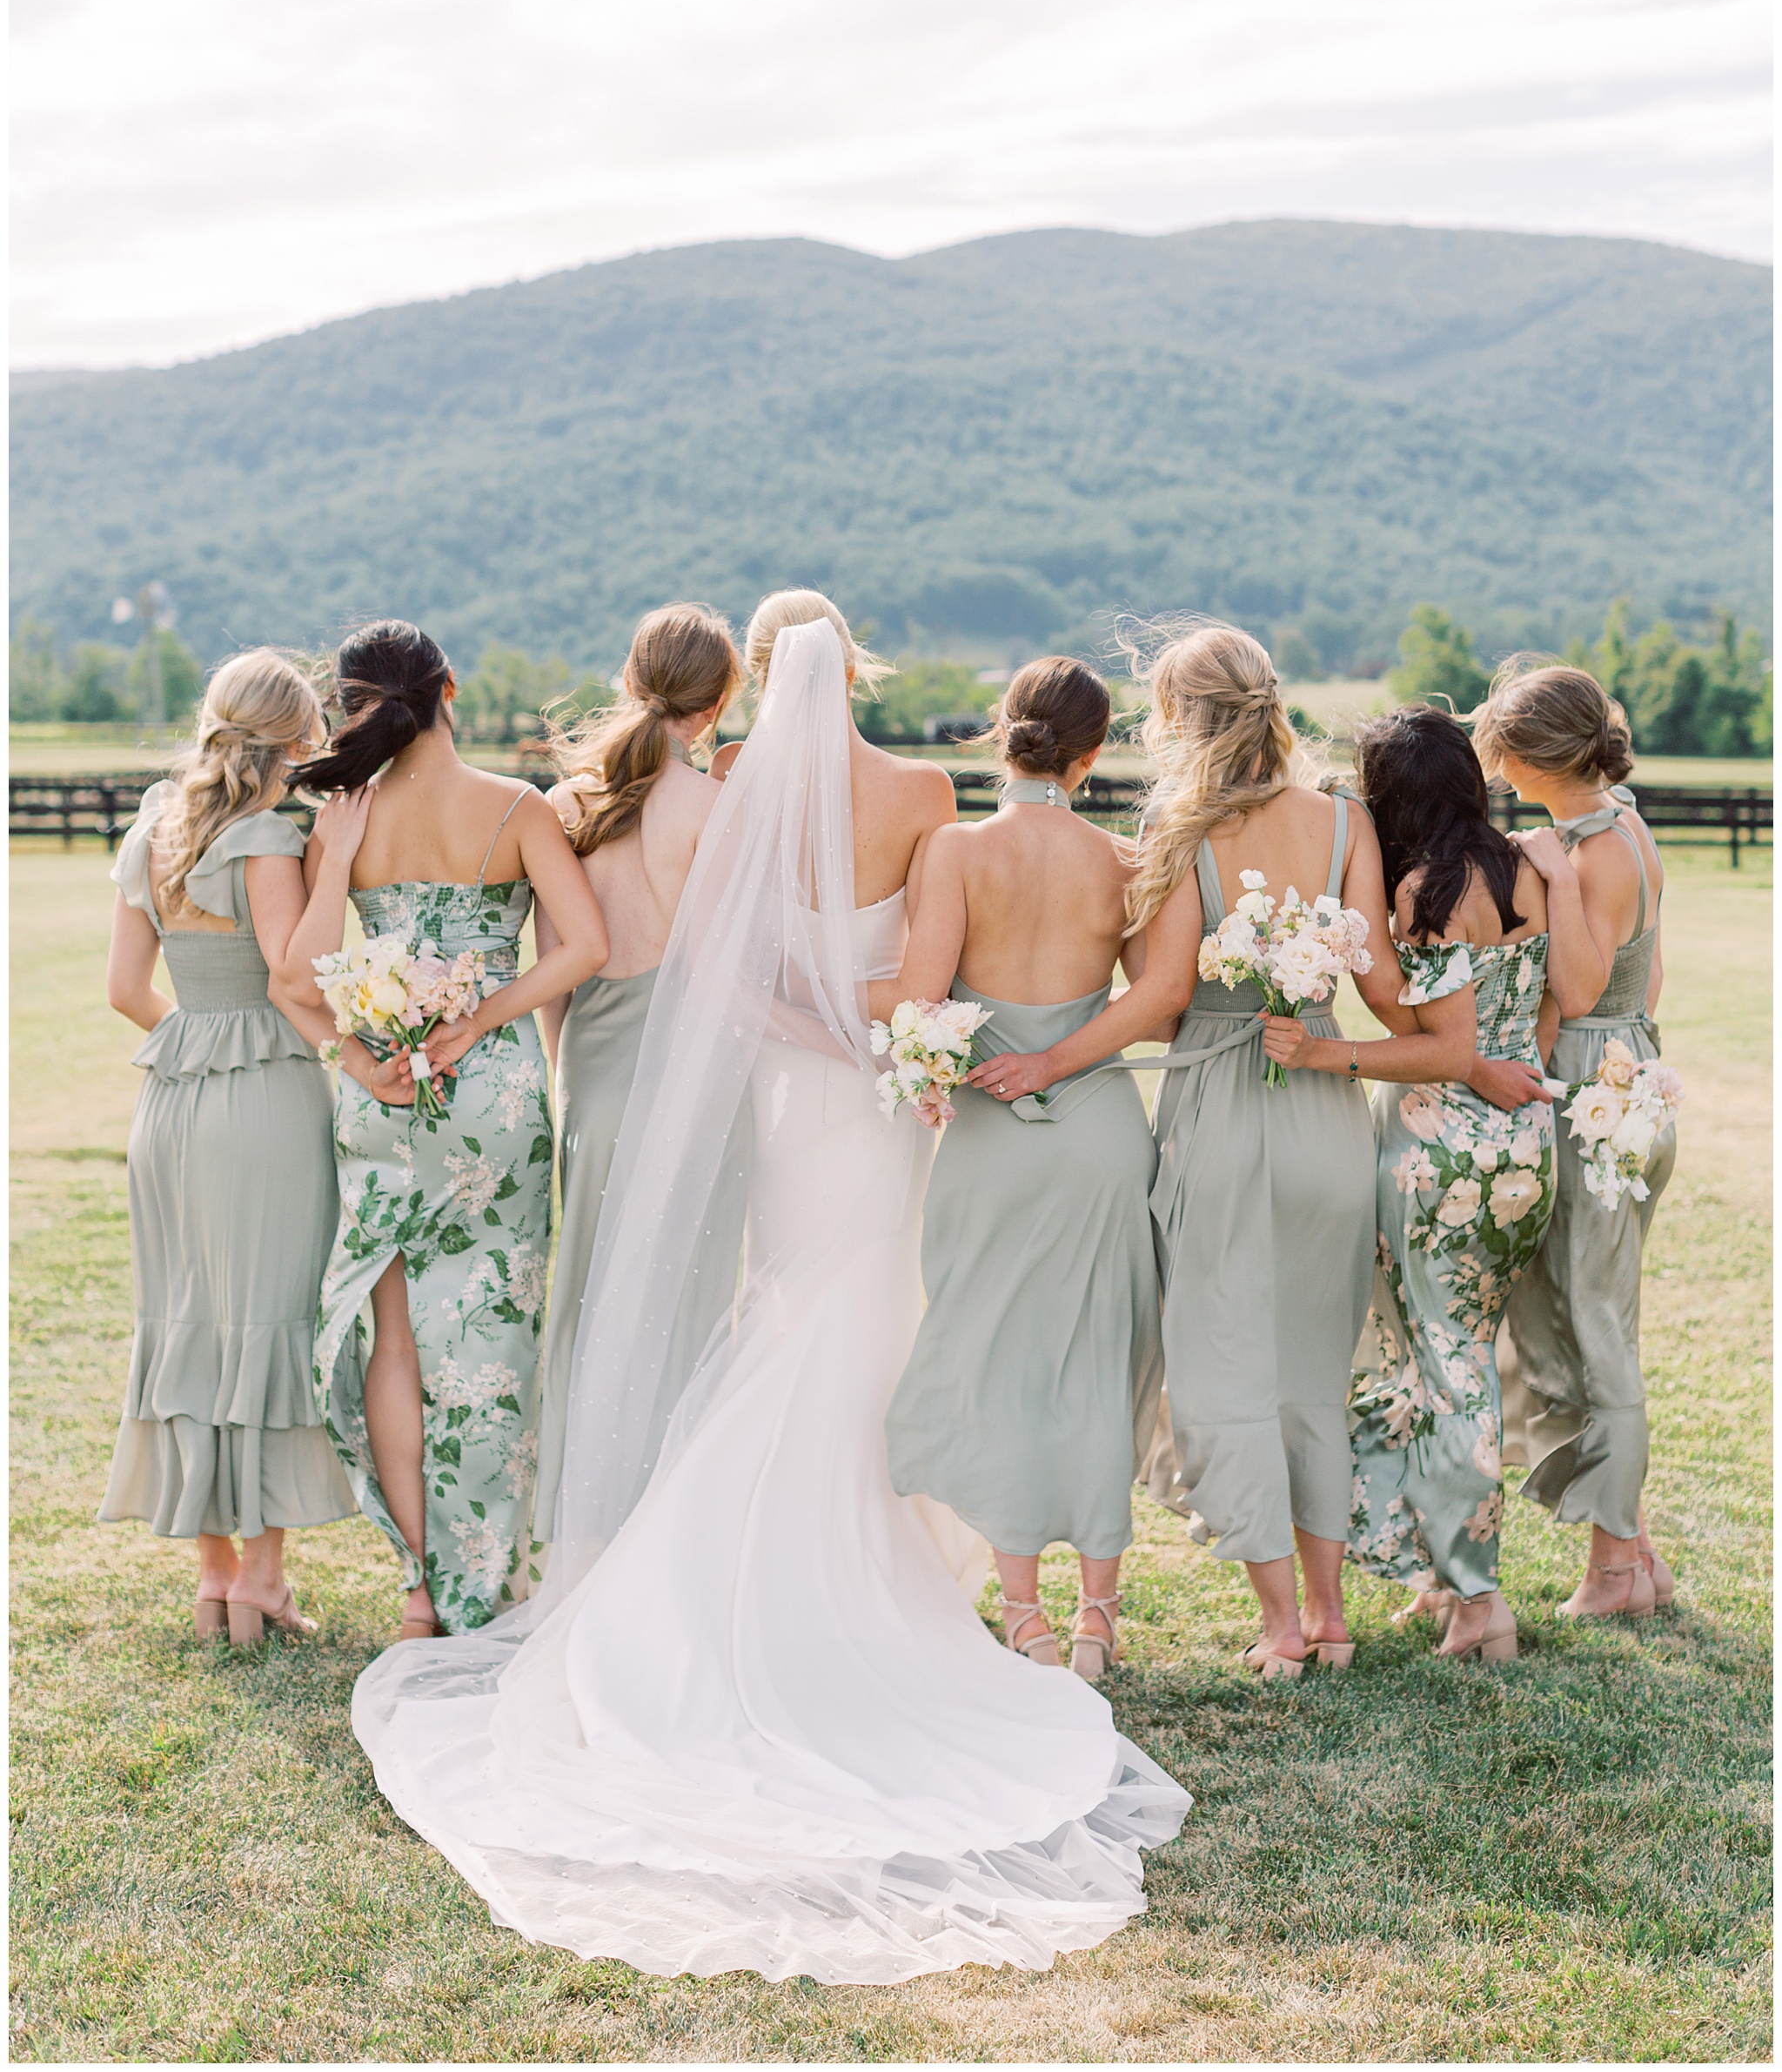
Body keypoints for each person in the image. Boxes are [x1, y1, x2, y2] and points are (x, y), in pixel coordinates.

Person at [347, 607, 1189, 1983]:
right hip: (883, 1093)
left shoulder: (734, 791)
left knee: (793, 1301)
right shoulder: (923, 795)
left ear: (763, 677)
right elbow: (941, 956)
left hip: (797, 1090)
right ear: (853, 669)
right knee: (875, 1307)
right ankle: (884, 1559)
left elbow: (730, 967)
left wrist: (837, 1039)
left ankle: (762, 1558)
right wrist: (904, 1047)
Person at [970, 624, 1405, 1680]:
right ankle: (1332, 1617)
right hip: (1327, 1120)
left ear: (1176, 721)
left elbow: (1162, 1002)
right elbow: (1388, 998)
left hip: (1219, 1111)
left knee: (1217, 1377)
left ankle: (1278, 1627)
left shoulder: (1185, 826)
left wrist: (1052, 1059)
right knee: (1312, 1370)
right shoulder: (1348, 822)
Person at [286, 620, 606, 1639]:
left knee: (395, 1342)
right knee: (490, 1336)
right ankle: (486, 1579)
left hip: (379, 1088)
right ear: (450, 689)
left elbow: (297, 979)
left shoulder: (344, 819)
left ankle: (423, 1586)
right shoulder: (514, 808)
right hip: (490, 1091)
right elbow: (585, 946)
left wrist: (335, 871)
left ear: (353, 707)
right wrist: (480, 1017)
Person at [880, 657, 1162, 1680]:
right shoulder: (1127, 862)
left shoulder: (955, 850)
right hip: (1098, 1132)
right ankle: (1098, 1617)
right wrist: (1058, 1049)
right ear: (1092, 755)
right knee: (1091, 1364)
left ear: (1003, 734)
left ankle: (1023, 1615)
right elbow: (1151, 1004)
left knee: (997, 1361)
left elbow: (918, 1001)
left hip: (992, 1136)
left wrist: (934, 1066)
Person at [1270, 705, 1564, 1663]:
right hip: (1524, 1145)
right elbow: (1543, 1001)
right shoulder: (1519, 866)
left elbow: (1441, 1049)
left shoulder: (1423, 891)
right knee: (1450, 1357)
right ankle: (1444, 1573)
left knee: (1448, 1365)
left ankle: (1480, 1601)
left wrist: (1325, 1054)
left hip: (1443, 1159)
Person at [98, 648, 356, 1642]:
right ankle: (263, 1579)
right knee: (271, 1322)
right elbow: (298, 981)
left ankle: (212, 1579)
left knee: (190, 1322)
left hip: (169, 1105)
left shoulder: (154, 831)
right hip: (268, 1102)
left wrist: (195, 1039)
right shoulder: (271, 836)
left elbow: (124, 991)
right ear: (298, 739)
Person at [532, 602, 745, 1544]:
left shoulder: (562, 805)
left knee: (589, 1295)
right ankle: (673, 1531)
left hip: (592, 1067)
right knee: (686, 1304)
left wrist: (566, 1072)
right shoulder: (712, 811)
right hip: (692, 1082)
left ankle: (582, 1527)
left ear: (629, 678)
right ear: (715, 705)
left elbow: (554, 970)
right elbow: (723, 970)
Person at [1473, 660, 1675, 1619]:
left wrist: (1549, 877)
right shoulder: (1623, 821)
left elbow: (1584, 986)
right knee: (1602, 1314)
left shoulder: (1587, 850)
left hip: (1595, 1094)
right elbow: (1650, 978)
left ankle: (1609, 1571)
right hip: (1629, 1070)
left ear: (1528, 755)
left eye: (1498, 744)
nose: (1493, 759)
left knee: (1593, 1328)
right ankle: (1636, 1552)